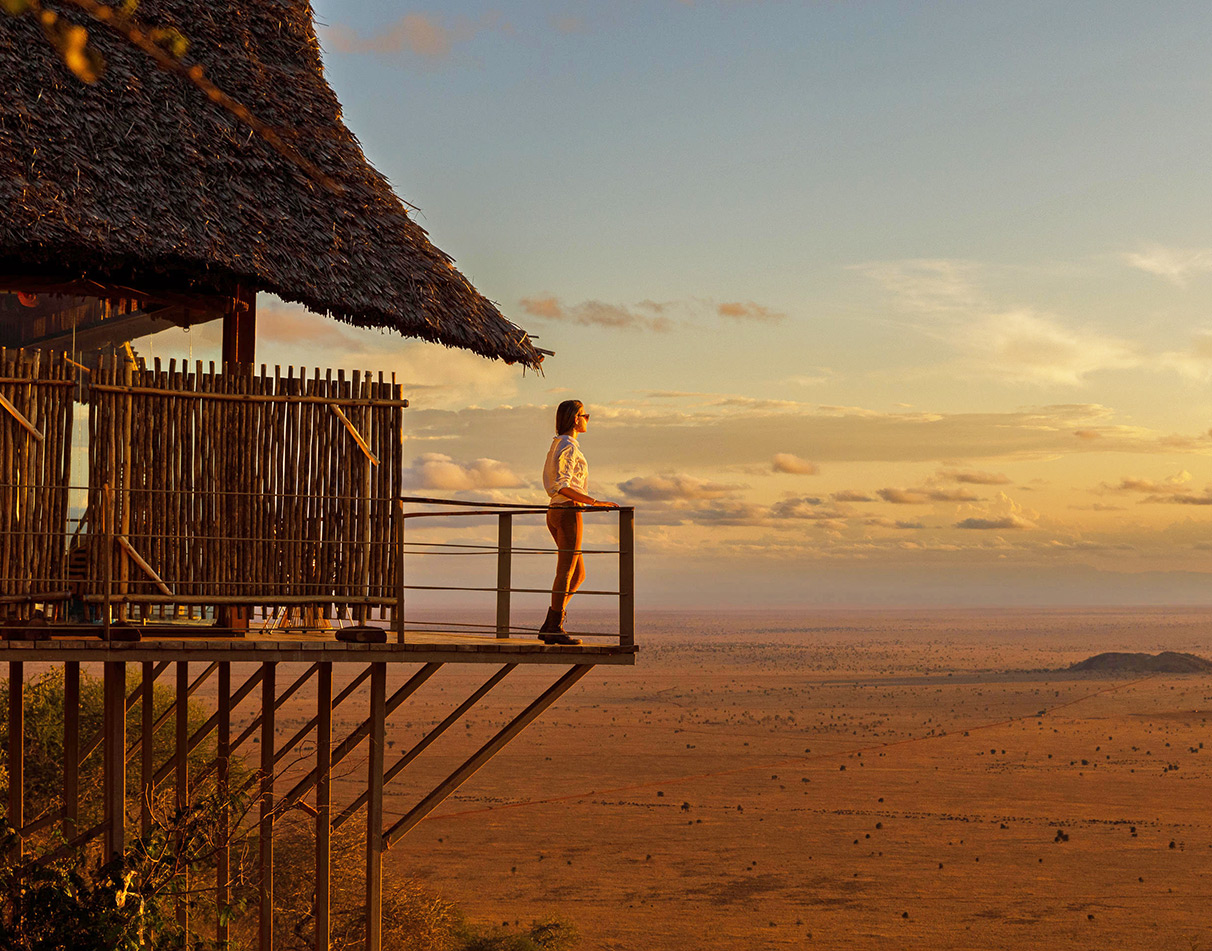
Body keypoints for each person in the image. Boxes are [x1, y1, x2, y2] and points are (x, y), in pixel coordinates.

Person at [539, 400, 617, 645]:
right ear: (575, 418)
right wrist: (593, 501)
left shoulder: (557, 444)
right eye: (586, 415)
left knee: (578, 574)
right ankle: (554, 627)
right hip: (568, 510)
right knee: (566, 571)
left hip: (555, 510)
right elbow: (563, 485)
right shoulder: (567, 446)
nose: (587, 419)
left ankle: (552, 622)